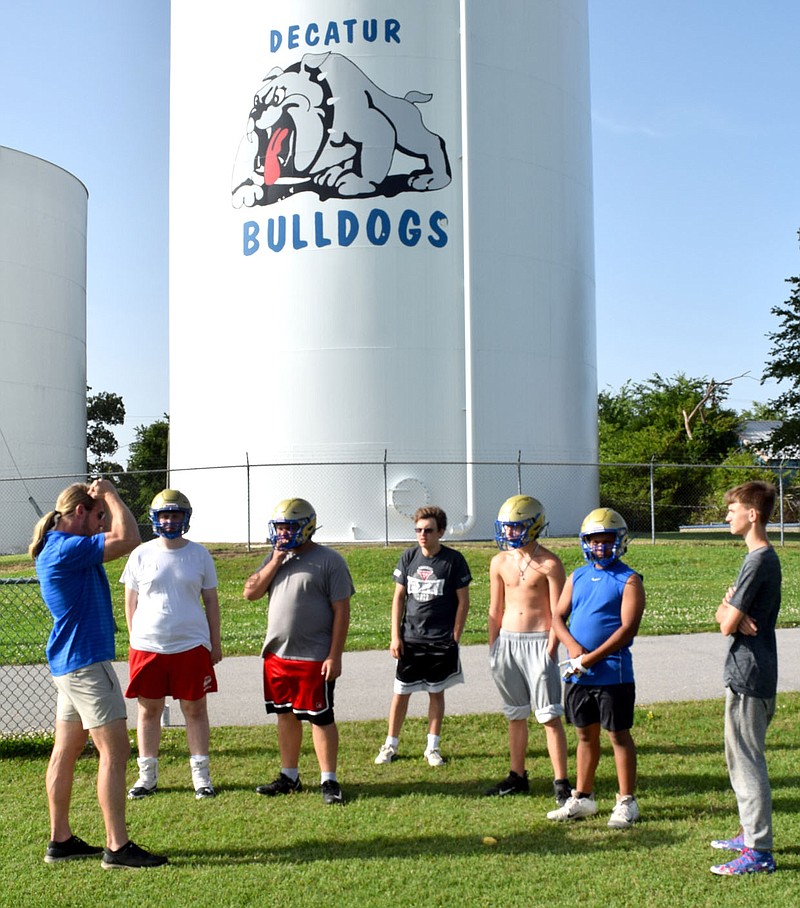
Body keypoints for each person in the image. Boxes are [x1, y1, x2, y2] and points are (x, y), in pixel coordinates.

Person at [29, 479, 167, 869]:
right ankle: (118, 848)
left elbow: (117, 536)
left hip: (69, 665)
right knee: (116, 751)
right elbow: (130, 538)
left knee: (67, 750)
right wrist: (111, 494)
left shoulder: (58, 547)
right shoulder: (67, 547)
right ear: (79, 514)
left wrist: (104, 503)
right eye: (98, 516)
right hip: (87, 665)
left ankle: (60, 840)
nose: (104, 523)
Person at [243, 498, 353, 805]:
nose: (282, 533)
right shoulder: (275, 557)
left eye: (288, 527)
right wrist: (276, 559)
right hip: (278, 654)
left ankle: (329, 780)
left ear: (306, 527)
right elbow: (250, 592)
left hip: (314, 655)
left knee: (320, 717)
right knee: (285, 715)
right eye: (279, 527)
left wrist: (335, 655)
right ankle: (289, 775)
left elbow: (341, 611)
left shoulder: (330, 560)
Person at [121, 489, 222, 801]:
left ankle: (201, 777)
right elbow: (130, 602)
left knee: (195, 708)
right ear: (154, 518)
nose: (170, 520)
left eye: (176, 514)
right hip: (147, 646)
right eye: (165, 515)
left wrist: (214, 642)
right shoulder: (140, 554)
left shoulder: (199, 554)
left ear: (186, 517)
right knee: (148, 710)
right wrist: (135, 638)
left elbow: (211, 601)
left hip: (191, 644)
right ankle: (147, 776)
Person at [547, 507, 645, 829]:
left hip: (612, 673)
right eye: (594, 541)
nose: (600, 547)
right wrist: (574, 648)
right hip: (579, 672)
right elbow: (558, 617)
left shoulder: (628, 579)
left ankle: (626, 801)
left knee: (618, 735)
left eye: (606, 541)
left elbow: (627, 630)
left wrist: (591, 657)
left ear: (620, 541)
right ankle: (583, 797)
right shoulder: (576, 576)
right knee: (584, 735)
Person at [709, 481, 781, 876]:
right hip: (751, 671)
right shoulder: (759, 559)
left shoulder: (758, 561)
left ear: (752, 514)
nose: (727, 515)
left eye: (732, 509)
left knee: (748, 762)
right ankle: (747, 833)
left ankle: (759, 851)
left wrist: (729, 610)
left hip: (749, 675)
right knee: (739, 759)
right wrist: (729, 607)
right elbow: (730, 615)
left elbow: (725, 624)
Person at [484, 495, 571, 807]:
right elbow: (495, 609)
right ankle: (517, 775)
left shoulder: (550, 563)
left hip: (538, 643)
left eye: (516, 526)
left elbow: (559, 612)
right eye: (507, 527)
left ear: (533, 526)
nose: (509, 533)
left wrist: (551, 648)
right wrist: (494, 646)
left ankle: (561, 781)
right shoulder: (499, 561)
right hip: (507, 642)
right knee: (515, 714)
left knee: (549, 716)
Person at [374, 506, 471, 767]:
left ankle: (432, 748)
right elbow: (398, 598)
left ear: (441, 531)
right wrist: (396, 636)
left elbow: (464, 601)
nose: (422, 535)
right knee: (401, 693)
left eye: (428, 530)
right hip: (411, 639)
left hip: (440, 639)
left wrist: (455, 635)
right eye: (418, 530)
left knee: (436, 692)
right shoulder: (408, 557)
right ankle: (390, 745)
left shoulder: (453, 560)